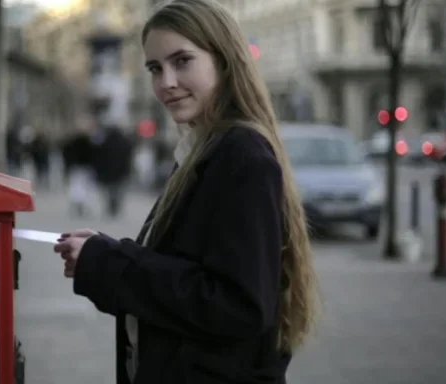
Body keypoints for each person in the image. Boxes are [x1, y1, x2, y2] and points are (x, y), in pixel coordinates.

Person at [53, 0, 320, 383]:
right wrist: (105, 251)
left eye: (182, 61)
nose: (166, 83)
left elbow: (238, 306)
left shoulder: (241, 155)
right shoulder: (206, 148)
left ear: (224, 61)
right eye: (154, 68)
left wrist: (108, 264)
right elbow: (188, 267)